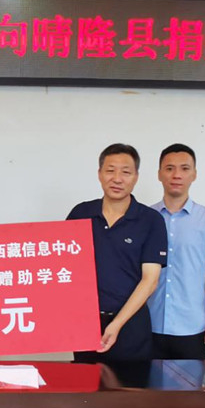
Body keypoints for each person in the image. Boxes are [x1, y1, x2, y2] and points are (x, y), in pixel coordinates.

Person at [66, 144, 167, 369]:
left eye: (126, 172)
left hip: (131, 325)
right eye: (110, 171)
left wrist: (117, 324)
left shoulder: (151, 220)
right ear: (99, 174)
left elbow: (150, 280)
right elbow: (64, 268)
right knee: (86, 386)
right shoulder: (80, 214)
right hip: (86, 324)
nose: (117, 179)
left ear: (136, 177)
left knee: (129, 388)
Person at [147, 144, 205, 360]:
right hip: (149, 324)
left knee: (193, 383)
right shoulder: (146, 217)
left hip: (193, 328)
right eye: (169, 168)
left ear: (194, 174)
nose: (176, 175)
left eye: (184, 168)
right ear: (159, 174)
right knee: (146, 382)